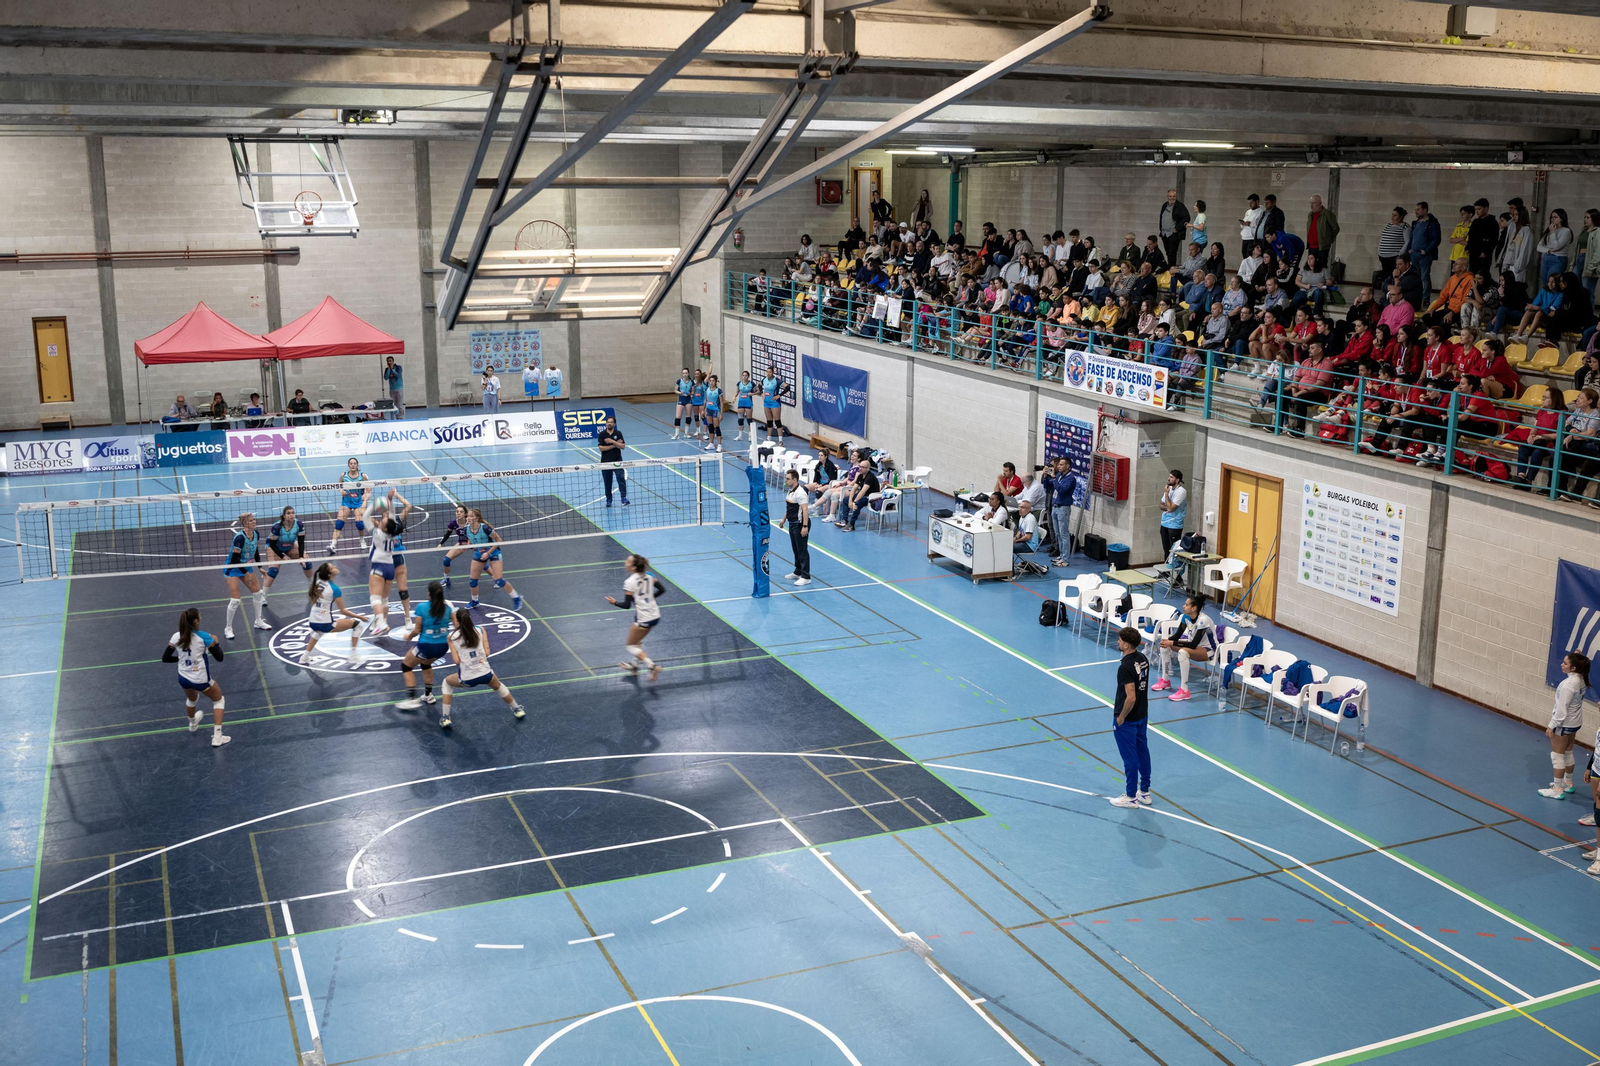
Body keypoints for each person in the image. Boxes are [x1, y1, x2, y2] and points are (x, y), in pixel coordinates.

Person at [437, 606, 525, 729]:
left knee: (446, 683)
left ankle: (445, 717)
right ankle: (517, 709)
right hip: (486, 674)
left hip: (467, 678)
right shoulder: (480, 630)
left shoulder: (451, 637)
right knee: (499, 686)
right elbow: (487, 653)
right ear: (470, 618)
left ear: (457, 621)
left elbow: (456, 661)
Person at [162, 607, 229, 747]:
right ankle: (217, 736)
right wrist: (216, 642)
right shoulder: (204, 636)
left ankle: (192, 723)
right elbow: (220, 657)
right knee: (219, 700)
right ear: (196, 621)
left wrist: (181, 660)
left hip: (183, 677)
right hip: (200, 678)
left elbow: (166, 658)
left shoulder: (176, 636)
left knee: (192, 699)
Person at [1538, 653, 1591, 799]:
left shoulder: (1568, 685)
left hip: (1564, 723)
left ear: (1573, 668)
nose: (1562, 664)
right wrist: (1577, 655)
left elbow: (1562, 709)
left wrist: (1551, 725)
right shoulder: (1580, 678)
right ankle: (1568, 783)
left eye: (1565, 663)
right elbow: (1579, 663)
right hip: (1575, 722)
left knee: (1557, 756)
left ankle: (1557, 789)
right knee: (1568, 752)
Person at [1109, 626, 1152, 809]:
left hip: (1128, 719)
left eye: (1119, 640)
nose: (1118, 642)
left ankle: (1131, 797)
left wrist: (1121, 717)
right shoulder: (1143, 658)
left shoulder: (1125, 666)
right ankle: (1145, 792)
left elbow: (1131, 696)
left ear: (1126, 645)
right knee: (1143, 751)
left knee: (1130, 758)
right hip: (1142, 714)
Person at [606, 553, 666, 681]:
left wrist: (614, 602)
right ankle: (634, 666)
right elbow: (662, 590)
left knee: (631, 646)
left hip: (643, 618)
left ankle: (652, 666)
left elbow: (627, 605)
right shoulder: (650, 575)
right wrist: (649, 599)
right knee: (639, 641)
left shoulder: (629, 582)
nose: (625, 563)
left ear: (633, 567)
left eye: (628, 562)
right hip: (654, 615)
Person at [362, 489, 413, 637]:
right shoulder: (392, 530)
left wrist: (374, 503)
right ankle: (380, 622)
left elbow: (365, 516)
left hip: (379, 566)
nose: (384, 518)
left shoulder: (377, 532)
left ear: (384, 526)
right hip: (390, 566)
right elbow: (392, 515)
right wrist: (390, 500)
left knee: (374, 598)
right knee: (384, 599)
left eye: (384, 519)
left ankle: (381, 622)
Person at [396, 581, 453, 710]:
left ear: (429, 594)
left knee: (406, 666)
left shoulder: (422, 607)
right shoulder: (448, 608)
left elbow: (417, 629)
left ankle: (411, 699)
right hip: (443, 647)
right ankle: (428, 694)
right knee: (426, 664)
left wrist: (408, 637)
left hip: (426, 645)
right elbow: (456, 626)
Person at [1152, 593, 1217, 703]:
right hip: (1193, 646)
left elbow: (1193, 645)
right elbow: (1177, 636)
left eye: (1186, 605)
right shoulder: (1185, 617)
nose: (1183, 606)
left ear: (1194, 608)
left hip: (1208, 650)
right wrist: (1167, 641)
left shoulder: (1203, 620)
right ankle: (1165, 681)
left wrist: (1171, 642)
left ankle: (1184, 691)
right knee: (1165, 646)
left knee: (1182, 652)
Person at [297, 562, 364, 665]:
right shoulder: (334, 589)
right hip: (326, 624)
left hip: (312, 621)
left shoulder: (317, 583)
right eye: (333, 567)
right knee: (358, 625)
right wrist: (359, 617)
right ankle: (354, 656)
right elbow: (343, 611)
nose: (336, 566)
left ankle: (304, 657)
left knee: (318, 632)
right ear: (329, 575)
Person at [462, 507, 523, 611]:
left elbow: (498, 540)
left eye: (471, 516)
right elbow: (470, 540)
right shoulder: (466, 529)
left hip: (493, 551)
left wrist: (488, 553)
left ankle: (516, 598)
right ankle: (475, 601)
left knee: (498, 580)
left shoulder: (485, 528)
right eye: (468, 516)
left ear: (477, 518)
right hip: (479, 552)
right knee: (472, 580)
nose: (468, 518)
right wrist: (468, 546)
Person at [222, 512, 271, 640]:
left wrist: (260, 567)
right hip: (232, 568)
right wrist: (246, 573)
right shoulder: (239, 538)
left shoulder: (256, 534)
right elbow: (234, 560)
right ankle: (228, 628)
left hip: (245, 566)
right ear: (244, 523)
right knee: (235, 600)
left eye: (254, 519)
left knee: (258, 593)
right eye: (251, 521)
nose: (254, 522)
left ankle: (258, 621)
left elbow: (255, 551)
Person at [262, 505, 312, 592]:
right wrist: (282, 556)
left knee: (306, 561)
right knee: (273, 570)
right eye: (288, 513)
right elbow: (272, 544)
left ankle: (312, 586)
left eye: (293, 513)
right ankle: (263, 596)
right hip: (274, 547)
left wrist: (301, 557)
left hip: (289, 545)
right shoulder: (277, 527)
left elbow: (301, 542)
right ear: (284, 516)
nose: (291, 515)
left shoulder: (299, 524)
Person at [776, 469, 812, 586]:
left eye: (788, 479)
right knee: (795, 549)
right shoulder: (791, 491)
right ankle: (798, 571)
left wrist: (805, 526)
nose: (785, 480)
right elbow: (790, 508)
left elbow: (805, 510)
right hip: (792, 523)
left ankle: (806, 576)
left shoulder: (800, 493)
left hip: (800, 524)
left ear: (795, 480)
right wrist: (783, 519)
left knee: (802, 550)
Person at [327, 457, 369, 555]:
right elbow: (338, 485)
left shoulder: (363, 476)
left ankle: (362, 541)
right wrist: (341, 491)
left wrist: (365, 495)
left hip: (358, 502)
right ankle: (333, 545)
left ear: (357, 465)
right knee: (339, 523)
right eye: (351, 463)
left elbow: (369, 487)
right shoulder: (344, 475)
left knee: (360, 524)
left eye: (355, 463)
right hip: (346, 502)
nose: (353, 465)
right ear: (348, 465)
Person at [1409, 201, 1442, 305]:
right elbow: (1412, 238)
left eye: (1418, 209)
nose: (1416, 212)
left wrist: (1427, 250)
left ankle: (1426, 299)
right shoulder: (1415, 223)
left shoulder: (1432, 223)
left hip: (1424, 255)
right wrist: (1409, 249)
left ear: (1425, 210)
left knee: (1424, 277)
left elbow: (1436, 239)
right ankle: (1416, 297)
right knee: (1415, 277)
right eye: (1415, 210)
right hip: (1414, 253)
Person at [836, 458, 881, 532]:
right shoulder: (860, 476)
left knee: (857, 503)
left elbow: (863, 491)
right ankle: (844, 520)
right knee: (846, 500)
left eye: (863, 467)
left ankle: (851, 525)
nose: (860, 468)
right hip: (863, 495)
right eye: (860, 466)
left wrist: (854, 502)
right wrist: (850, 500)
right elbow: (854, 488)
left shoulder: (870, 477)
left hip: (871, 497)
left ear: (868, 469)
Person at [596, 414, 630, 506]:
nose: (609, 424)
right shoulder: (602, 434)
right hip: (605, 463)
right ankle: (609, 499)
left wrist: (612, 441)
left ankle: (623, 498)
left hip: (617, 461)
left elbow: (622, 446)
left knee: (621, 480)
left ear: (614, 424)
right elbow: (601, 448)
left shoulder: (618, 433)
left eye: (611, 422)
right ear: (606, 424)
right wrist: (614, 445)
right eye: (608, 422)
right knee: (607, 482)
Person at [437, 504, 472, 587]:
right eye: (457, 512)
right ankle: (446, 579)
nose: (458, 513)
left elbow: (475, 533)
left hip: (473, 542)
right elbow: (447, 534)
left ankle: (497, 579)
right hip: (462, 543)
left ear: (465, 514)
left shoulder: (470, 522)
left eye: (461, 512)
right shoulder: (453, 523)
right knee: (446, 559)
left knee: (482, 561)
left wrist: (469, 544)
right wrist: (440, 543)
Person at [1159, 469, 1187, 561]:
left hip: (1174, 525)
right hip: (1164, 523)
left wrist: (1167, 495)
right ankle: (1165, 571)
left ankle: (1175, 573)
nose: (1168, 479)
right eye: (1169, 476)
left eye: (1171, 477)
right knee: (1166, 549)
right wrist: (1168, 507)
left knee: (1174, 551)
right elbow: (1160, 505)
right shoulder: (1169, 488)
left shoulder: (1181, 491)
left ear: (1177, 480)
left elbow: (1171, 508)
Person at [1159, 188, 1190, 268]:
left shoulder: (1180, 206)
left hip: (1173, 234)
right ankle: (1169, 268)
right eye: (1170, 196)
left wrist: (1177, 228)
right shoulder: (1164, 205)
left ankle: (1171, 270)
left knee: (1172, 253)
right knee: (1168, 252)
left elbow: (1186, 217)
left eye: (1174, 196)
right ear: (1167, 197)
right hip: (1164, 233)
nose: (1172, 198)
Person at [760, 368, 784, 441]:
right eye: (767, 372)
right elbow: (758, 385)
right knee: (769, 421)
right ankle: (769, 438)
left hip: (775, 403)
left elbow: (787, 387)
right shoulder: (764, 379)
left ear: (773, 372)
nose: (768, 373)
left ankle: (780, 440)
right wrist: (761, 393)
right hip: (766, 403)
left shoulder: (777, 381)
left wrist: (779, 395)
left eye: (770, 372)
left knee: (777, 421)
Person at [702, 374, 724, 452]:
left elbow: (721, 403)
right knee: (710, 427)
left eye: (713, 381)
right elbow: (706, 400)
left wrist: (721, 414)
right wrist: (703, 410)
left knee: (716, 427)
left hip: (715, 410)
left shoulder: (718, 391)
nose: (711, 382)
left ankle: (719, 445)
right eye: (710, 381)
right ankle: (711, 443)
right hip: (709, 410)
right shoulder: (707, 389)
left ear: (715, 382)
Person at [671, 368, 693, 439]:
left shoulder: (691, 382)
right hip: (681, 399)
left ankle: (686, 433)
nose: (685, 374)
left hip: (688, 400)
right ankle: (676, 434)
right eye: (683, 373)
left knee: (688, 417)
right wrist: (680, 393)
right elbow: (675, 390)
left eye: (686, 373)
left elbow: (693, 391)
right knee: (678, 417)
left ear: (688, 373)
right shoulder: (679, 381)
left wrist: (690, 393)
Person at [733, 369, 755, 441]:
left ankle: (750, 436)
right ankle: (740, 436)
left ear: (748, 376)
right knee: (740, 420)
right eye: (743, 375)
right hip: (741, 403)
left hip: (748, 403)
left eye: (746, 375)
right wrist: (734, 397)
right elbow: (737, 391)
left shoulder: (751, 383)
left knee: (749, 420)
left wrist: (753, 394)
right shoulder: (739, 383)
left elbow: (758, 391)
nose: (744, 377)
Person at [689, 370, 707, 441]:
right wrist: (690, 394)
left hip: (701, 401)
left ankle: (705, 432)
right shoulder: (693, 382)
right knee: (696, 416)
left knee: (703, 416)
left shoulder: (703, 383)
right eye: (695, 374)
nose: (696, 375)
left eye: (698, 374)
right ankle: (698, 430)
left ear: (700, 374)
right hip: (694, 401)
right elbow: (691, 391)